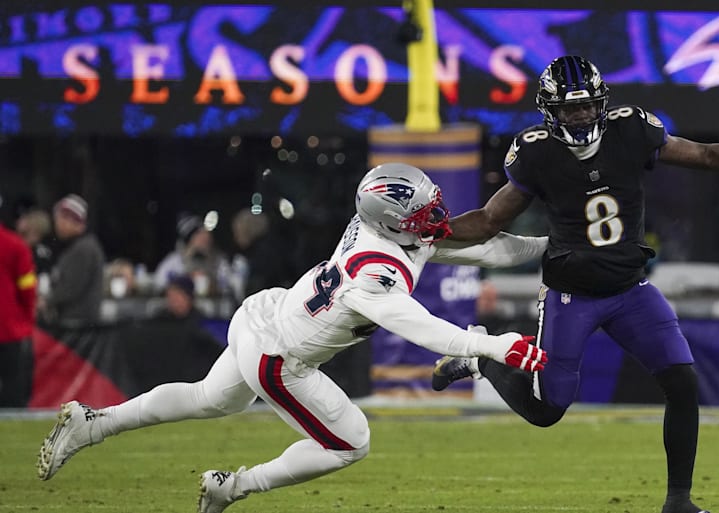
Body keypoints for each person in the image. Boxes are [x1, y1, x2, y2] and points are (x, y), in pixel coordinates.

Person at [36, 163, 549, 513]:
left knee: (207, 397)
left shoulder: (393, 232)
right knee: (351, 442)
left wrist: (558, 244)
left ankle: (94, 424)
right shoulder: (375, 272)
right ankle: (235, 487)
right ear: (395, 224)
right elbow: (418, 325)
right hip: (281, 357)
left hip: (265, 313)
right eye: (424, 214)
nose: (435, 218)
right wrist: (492, 345)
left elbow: (487, 249)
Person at [430, 55, 719, 513]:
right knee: (546, 410)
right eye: (569, 109)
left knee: (683, 382)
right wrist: (427, 232)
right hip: (571, 295)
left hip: (631, 290)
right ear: (550, 112)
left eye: (586, 106)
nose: (580, 116)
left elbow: (704, 154)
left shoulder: (631, 130)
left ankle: (678, 502)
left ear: (602, 103)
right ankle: (480, 358)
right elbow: (489, 219)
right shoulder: (537, 153)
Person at [40, 194, 105, 326]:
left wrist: (46, 301)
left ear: (71, 220)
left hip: (77, 326)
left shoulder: (83, 249)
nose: (57, 224)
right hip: (76, 323)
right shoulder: (78, 246)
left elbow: (69, 288)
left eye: (59, 219)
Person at [0, 223, 37, 407]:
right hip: (10, 330)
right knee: (13, 394)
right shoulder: (15, 245)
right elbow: (28, 288)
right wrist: (27, 320)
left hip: (10, 328)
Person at [153, 213, 231, 297]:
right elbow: (158, 284)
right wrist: (186, 280)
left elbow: (230, 286)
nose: (206, 238)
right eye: (199, 235)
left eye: (207, 234)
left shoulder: (220, 260)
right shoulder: (173, 261)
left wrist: (213, 284)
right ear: (189, 239)